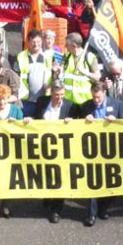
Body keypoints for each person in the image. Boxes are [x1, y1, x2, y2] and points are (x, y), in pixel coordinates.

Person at [81, 81, 123, 226]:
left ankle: (103, 208)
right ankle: (92, 214)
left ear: (104, 94)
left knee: (108, 180)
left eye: (99, 97)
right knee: (93, 181)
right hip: (92, 150)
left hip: (110, 150)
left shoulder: (117, 104)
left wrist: (117, 121)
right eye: (94, 97)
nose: (96, 100)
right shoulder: (86, 106)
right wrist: (84, 120)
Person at [34, 82, 77, 222]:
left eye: (62, 95)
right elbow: (36, 119)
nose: (59, 98)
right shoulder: (42, 102)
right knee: (46, 174)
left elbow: (79, 124)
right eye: (57, 95)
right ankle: (48, 197)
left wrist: (73, 122)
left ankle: (56, 210)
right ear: (51, 93)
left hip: (62, 148)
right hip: (44, 147)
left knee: (60, 177)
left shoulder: (70, 106)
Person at [0, 84, 29, 219]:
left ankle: (7, 207)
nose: (2, 102)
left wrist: (19, 122)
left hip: (13, 150)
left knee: (11, 179)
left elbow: (23, 126)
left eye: (4, 99)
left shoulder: (15, 110)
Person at [13, 29, 53, 117]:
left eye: (38, 41)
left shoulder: (49, 56)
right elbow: (15, 77)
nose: (36, 44)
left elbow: (54, 76)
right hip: (26, 100)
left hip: (44, 99)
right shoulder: (21, 56)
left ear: (42, 41)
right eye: (33, 42)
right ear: (28, 42)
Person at [57, 32, 101, 107]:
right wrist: (57, 72)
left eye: (67, 45)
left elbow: (98, 77)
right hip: (68, 101)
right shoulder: (66, 56)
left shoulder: (89, 57)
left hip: (85, 102)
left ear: (74, 46)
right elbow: (60, 75)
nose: (65, 47)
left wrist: (85, 72)